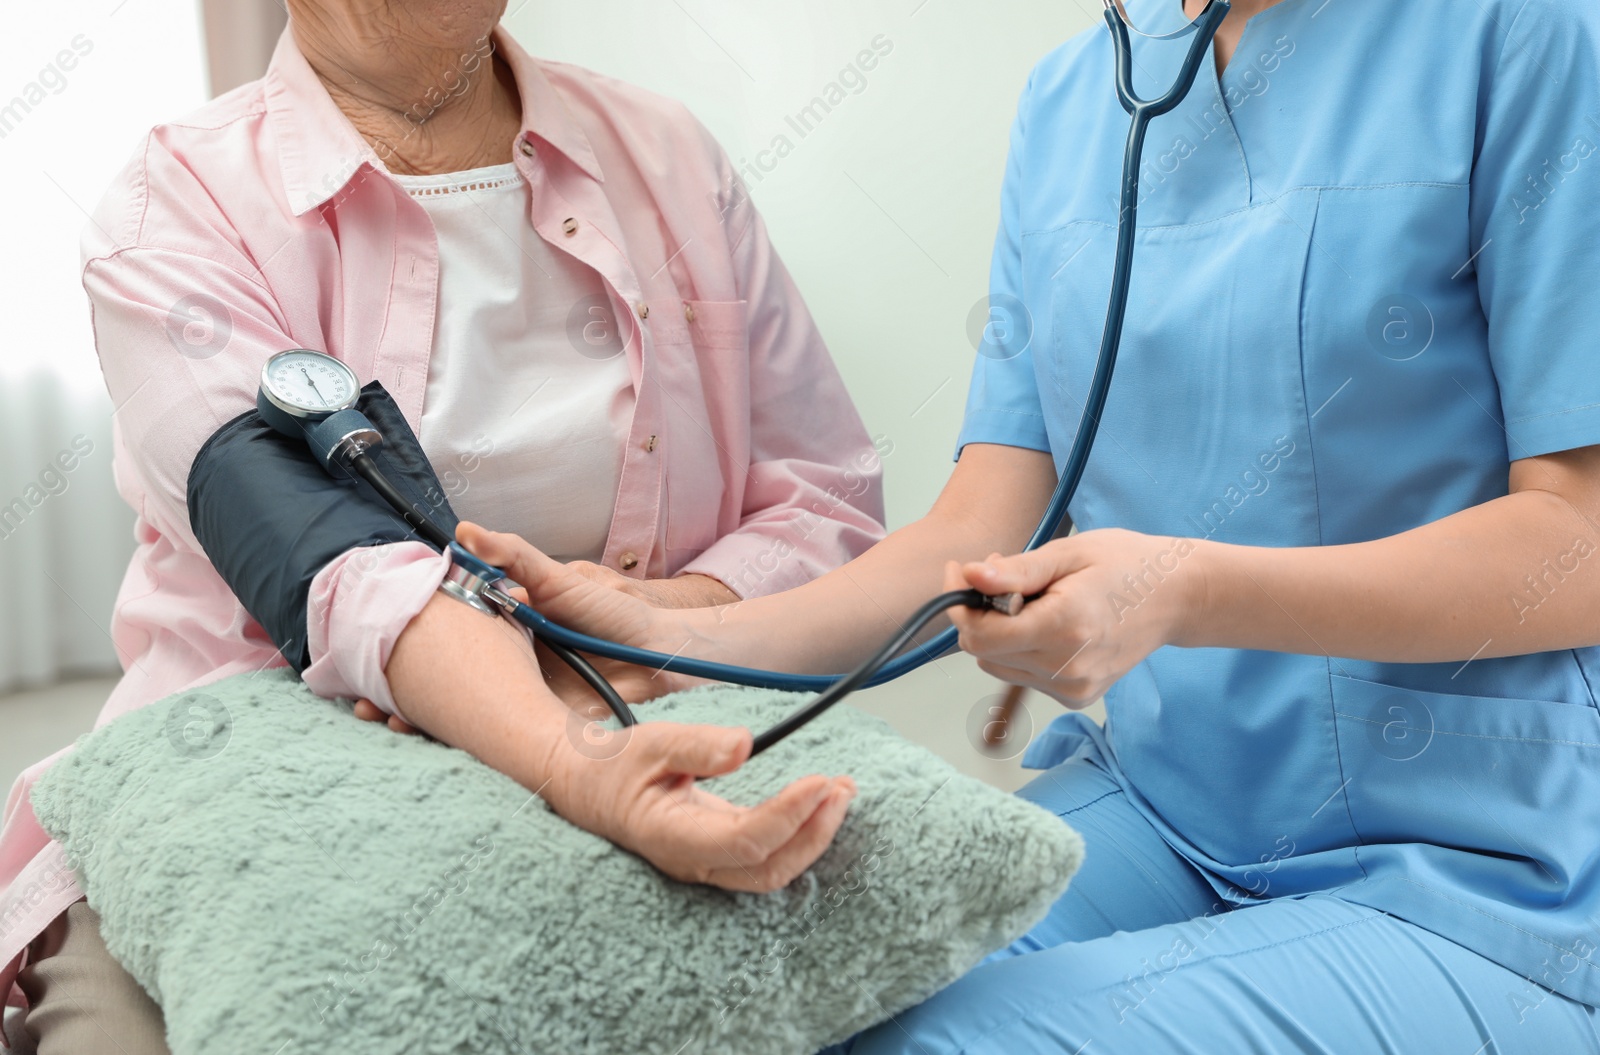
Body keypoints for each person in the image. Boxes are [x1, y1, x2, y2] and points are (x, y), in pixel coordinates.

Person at [456, 0, 1600, 1049]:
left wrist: (1185, 587)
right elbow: (971, 530)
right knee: (772, 996)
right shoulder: (1074, 97)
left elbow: (1579, 536)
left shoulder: (1530, 36)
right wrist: (664, 645)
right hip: (1161, 799)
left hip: (1481, 861)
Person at [0, 1, 883, 1050]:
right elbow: (327, 557)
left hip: (651, 694)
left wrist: (654, 621)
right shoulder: (175, 204)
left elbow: (824, 499)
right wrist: (559, 737)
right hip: (251, 758)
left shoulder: (666, 154)